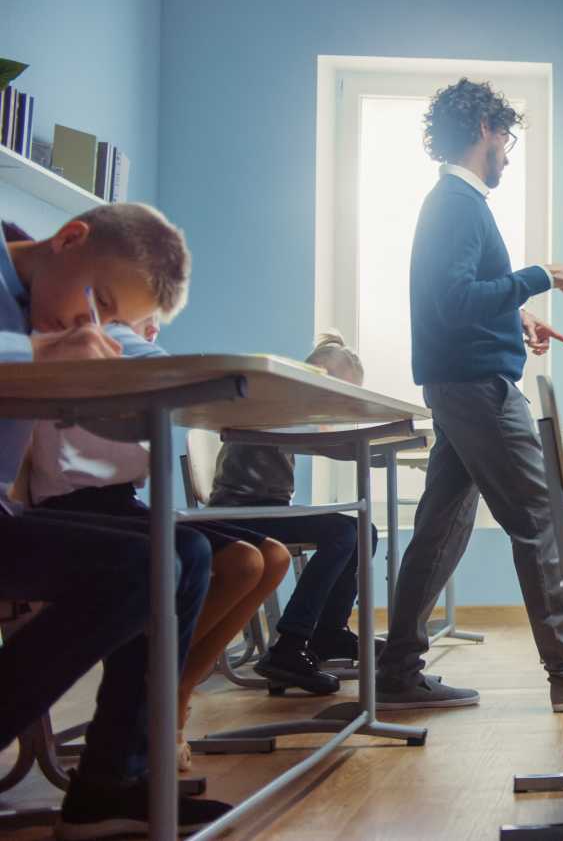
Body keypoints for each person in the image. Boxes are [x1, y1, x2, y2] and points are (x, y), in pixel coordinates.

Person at [377, 77, 563, 711]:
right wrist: (536, 279)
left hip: (461, 384)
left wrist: (517, 318)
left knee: (440, 528)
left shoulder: (453, 205)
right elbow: (455, 299)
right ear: (485, 131)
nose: (508, 152)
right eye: (506, 137)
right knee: (544, 518)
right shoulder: (458, 205)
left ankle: (397, 673)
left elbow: (459, 301)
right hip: (478, 389)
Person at [0, 206, 234, 835]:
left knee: (181, 552)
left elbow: (127, 350)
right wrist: (42, 349)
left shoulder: (56, 302)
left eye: (111, 316)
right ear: (69, 239)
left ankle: (110, 781)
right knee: (140, 566)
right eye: (97, 300)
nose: (89, 324)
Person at [29, 302, 291, 774]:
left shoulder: (114, 339)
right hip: (71, 504)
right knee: (240, 562)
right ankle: (156, 703)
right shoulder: (78, 338)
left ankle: (176, 691)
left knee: (271, 557)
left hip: (121, 499)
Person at [205, 331, 381, 695]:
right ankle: (289, 644)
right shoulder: (277, 398)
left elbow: (316, 439)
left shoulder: (295, 404)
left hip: (264, 508)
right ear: (317, 371)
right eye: (337, 391)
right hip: (238, 511)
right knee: (344, 532)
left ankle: (328, 633)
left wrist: (363, 447)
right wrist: (364, 447)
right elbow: (315, 441)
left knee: (365, 529)